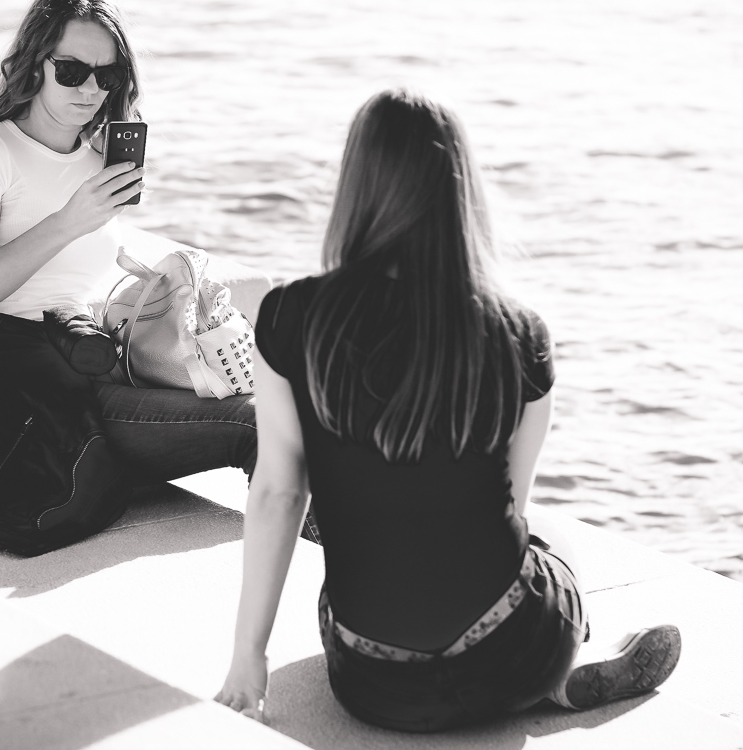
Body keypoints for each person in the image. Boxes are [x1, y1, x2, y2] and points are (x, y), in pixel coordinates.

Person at [215, 89, 681, 731]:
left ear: (355, 186)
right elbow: (509, 511)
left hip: (373, 684)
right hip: (514, 655)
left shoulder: (289, 316)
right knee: (552, 538)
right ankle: (554, 678)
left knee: (361, 582)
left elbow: (277, 493)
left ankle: (528, 680)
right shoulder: (518, 332)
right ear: (461, 192)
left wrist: (248, 657)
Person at [0, 0, 256, 554]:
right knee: (259, 424)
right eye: (72, 70)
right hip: (34, 391)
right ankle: (330, 583)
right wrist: (69, 221)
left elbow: (73, 280)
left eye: (108, 75)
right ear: (35, 63)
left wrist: (154, 284)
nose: (92, 88)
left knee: (286, 395)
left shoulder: (98, 158)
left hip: (94, 361)